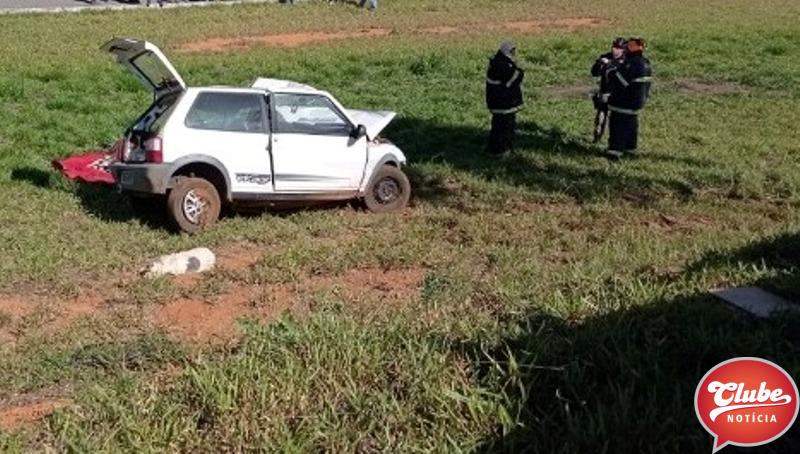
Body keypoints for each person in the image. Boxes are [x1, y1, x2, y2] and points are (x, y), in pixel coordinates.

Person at [605, 37, 652, 159]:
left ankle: (615, 151)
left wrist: (609, 69)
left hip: (623, 103)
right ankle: (630, 148)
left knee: (618, 125)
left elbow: (618, 81)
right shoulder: (645, 62)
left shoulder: (632, 64)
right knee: (631, 124)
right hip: (636, 103)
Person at [485, 41, 525, 157]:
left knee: (498, 127)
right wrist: (519, 71)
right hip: (504, 103)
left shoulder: (497, 62)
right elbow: (516, 76)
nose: (514, 53)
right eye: (512, 50)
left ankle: (495, 149)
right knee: (505, 128)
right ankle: (502, 150)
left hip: (498, 103)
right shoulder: (502, 65)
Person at [590, 37, 627, 143]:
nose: (615, 50)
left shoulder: (627, 61)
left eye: (618, 48)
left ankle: (618, 142)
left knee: (618, 120)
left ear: (623, 49)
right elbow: (594, 73)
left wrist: (610, 64)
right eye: (614, 47)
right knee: (600, 119)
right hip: (605, 92)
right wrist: (599, 64)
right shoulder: (606, 57)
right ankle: (596, 139)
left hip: (619, 94)